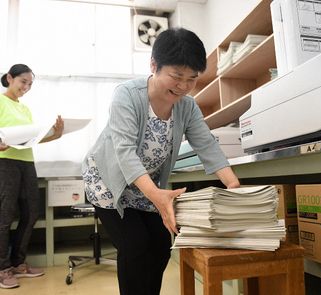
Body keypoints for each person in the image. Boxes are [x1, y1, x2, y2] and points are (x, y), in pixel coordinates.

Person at [82, 27, 240, 295]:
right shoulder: (127, 95)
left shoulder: (187, 107)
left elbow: (207, 146)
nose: (183, 86)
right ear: (154, 65)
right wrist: (156, 195)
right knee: (135, 245)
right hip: (108, 181)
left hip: (147, 185)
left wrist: (234, 187)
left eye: (192, 78)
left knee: (160, 246)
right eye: (176, 76)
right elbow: (124, 152)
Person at [0, 64, 64, 289]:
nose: (26, 87)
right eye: (23, 82)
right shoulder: (0, 102)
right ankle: (2, 268)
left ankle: (18, 263)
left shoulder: (25, 109)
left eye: (30, 84)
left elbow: (31, 139)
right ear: (9, 78)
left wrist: (55, 135)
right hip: (4, 162)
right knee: (5, 216)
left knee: (31, 212)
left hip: (26, 162)